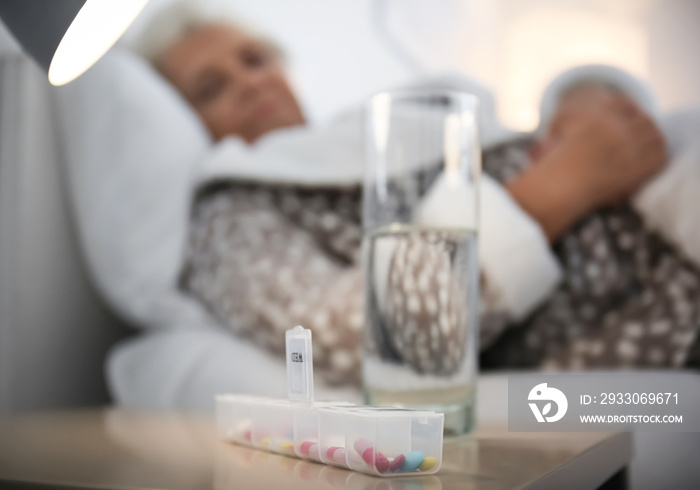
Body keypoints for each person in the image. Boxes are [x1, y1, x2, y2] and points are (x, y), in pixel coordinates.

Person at [126, 1, 698, 398]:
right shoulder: (233, 216)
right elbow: (361, 336)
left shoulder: (371, 124)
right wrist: (562, 184)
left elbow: (528, 124)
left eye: (254, 59)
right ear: (182, 119)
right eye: (212, 87)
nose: (251, 82)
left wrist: (588, 98)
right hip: (655, 300)